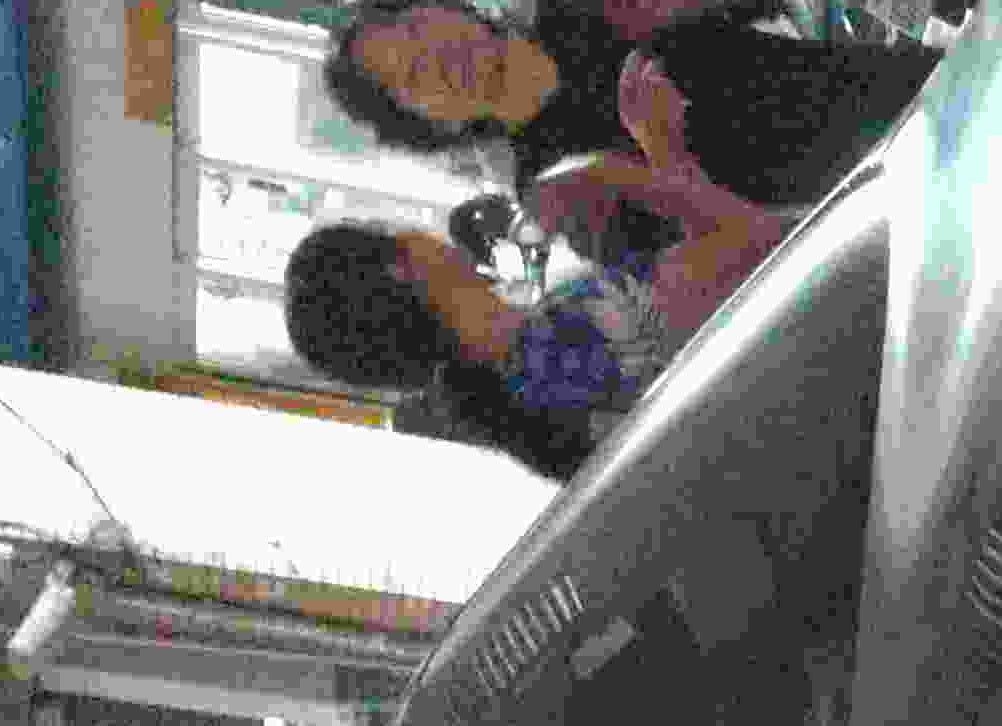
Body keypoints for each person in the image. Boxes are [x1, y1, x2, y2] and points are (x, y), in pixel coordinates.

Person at [284, 60, 794, 478]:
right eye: (393, 230)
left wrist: (663, 154)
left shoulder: (532, 380)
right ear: (402, 268)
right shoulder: (567, 347)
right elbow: (765, 249)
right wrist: (615, 174)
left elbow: (716, 271)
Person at [321, 0, 925, 214]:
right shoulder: (559, 190)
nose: (433, 59)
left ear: (438, 5)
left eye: (413, 32)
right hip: (868, 206)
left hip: (899, 90)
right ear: (430, 125)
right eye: (410, 81)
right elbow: (728, 259)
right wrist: (665, 154)